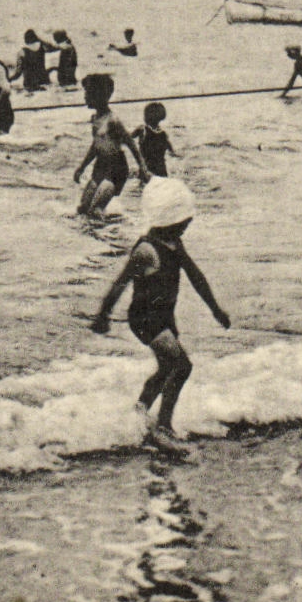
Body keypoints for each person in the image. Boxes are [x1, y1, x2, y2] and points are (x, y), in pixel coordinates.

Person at [90, 178, 230, 451]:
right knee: (182, 366)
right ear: (170, 221)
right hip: (146, 320)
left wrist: (215, 309)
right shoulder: (146, 250)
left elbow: (195, 276)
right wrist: (103, 315)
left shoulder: (174, 243)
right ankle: (163, 426)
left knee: (167, 367)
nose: (188, 225)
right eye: (184, 221)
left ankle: (139, 415)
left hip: (164, 316)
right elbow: (120, 283)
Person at [73, 73, 149, 218]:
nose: (85, 97)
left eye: (88, 93)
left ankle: (111, 234)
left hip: (117, 168)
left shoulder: (113, 121)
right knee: (82, 209)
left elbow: (131, 144)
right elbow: (95, 146)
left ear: (99, 96)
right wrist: (81, 168)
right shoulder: (95, 119)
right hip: (100, 165)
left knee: (96, 211)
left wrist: (143, 167)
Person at [133, 102, 175, 178]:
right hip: (161, 169)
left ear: (147, 117)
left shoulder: (142, 129)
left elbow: (128, 138)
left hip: (147, 169)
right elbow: (171, 150)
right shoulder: (163, 134)